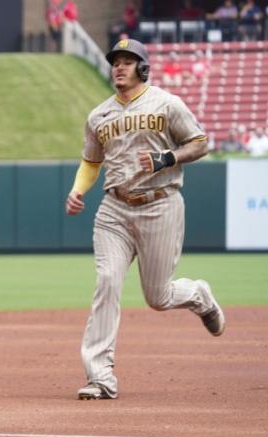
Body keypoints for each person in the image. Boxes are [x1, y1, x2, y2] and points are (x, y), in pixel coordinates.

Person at [65, 38, 226, 400]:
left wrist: (167, 158)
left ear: (143, 67)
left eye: (128, 61)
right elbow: (92, 162)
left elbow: (200, 143)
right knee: (107, 282)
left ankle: (199, 295)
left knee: (158, 296)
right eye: (116, 61)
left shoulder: (167, 104)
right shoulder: (98, 115)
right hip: (114, 209)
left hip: (161, 204)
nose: (119, 67)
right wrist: (78, 190)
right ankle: (100, 376)